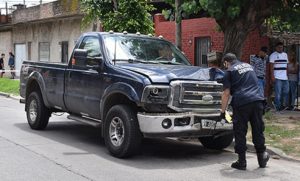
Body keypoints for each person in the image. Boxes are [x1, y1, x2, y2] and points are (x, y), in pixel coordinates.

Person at [220, 53, 269, 170]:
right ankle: (261, 158)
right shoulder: (248, 66)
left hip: (242, 102)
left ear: (226, 62)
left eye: (224, 64)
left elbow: (226, 93)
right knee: (258, 129)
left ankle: (241, 162)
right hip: (257, 100)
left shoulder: (229, 71)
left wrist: (223, 112)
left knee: (240, 131)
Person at [269, 42, 289, 111]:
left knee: (286, 91)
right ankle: (278, 107)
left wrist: (287, 75)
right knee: (278, 93)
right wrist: (272, 77)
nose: (281, 48)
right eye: (279, 47)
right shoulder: (273, 55)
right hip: (277, 77)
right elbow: (271, 67)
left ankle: (281, 104)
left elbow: (286, 66)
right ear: (276, 48)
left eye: (281, 47)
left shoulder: (285, 55)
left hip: (285, 77)